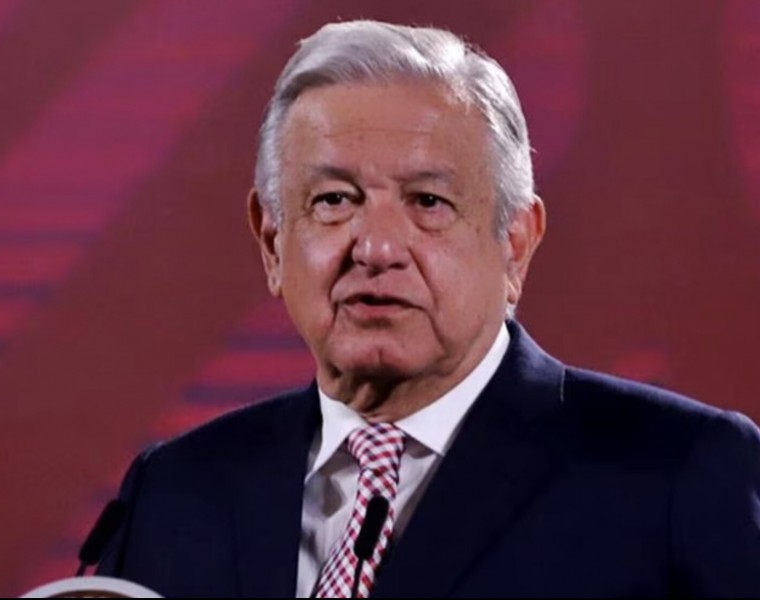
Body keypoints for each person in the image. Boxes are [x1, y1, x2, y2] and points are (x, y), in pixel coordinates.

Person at [95, 20, 760, 597]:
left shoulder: (675, 475)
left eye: (428, 203)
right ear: (272, 242)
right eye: (334, 201)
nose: (377, 249)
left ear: (515, 245)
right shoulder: (176, 492)